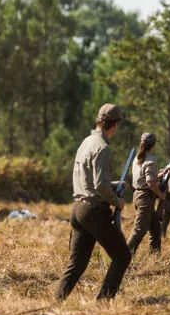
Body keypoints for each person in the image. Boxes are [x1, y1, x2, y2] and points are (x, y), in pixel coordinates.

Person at [56, 103, 132, 301]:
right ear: (114, 125)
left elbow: (88, 179)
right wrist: (117, 201)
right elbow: (99, 186)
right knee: (122, 256)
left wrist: (114, 184)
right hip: (94, 211)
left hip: (78, 209)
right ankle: (103, 302)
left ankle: (56, 302)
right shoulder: (103, 147)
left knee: (77, 264)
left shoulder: (86, 142)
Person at [126, 132, 167, 255]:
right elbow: (150, 183)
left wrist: (160, 174)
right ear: (153, 145)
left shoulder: (138, 158)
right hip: (145, 197)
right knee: (139, 230)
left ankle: (154, 257)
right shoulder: (150, 161)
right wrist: (161, 195)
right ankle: (123, 256)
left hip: (139, 195)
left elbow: (144, 178)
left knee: (155, 228)